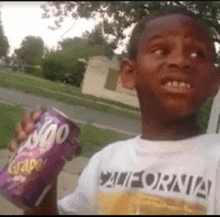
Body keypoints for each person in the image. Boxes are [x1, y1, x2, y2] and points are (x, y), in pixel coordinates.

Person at [8, 7, 220, 215]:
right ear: (129, 73)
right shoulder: (105, 161)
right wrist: (41, 181)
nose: (180, 61)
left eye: (197, 54)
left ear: (214, 81)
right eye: (160, 51)